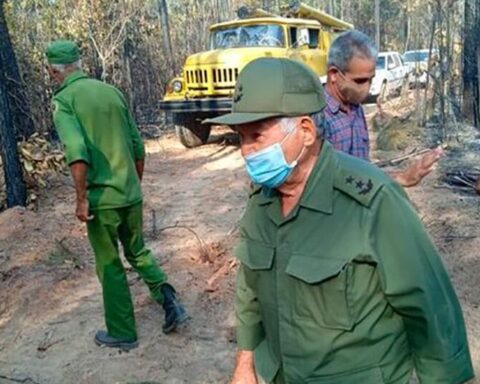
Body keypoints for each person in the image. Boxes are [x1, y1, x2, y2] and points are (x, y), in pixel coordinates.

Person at [204, 57, 474, 384]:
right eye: (241, 137)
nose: (246, 151)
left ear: (305, 131)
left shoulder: (373, 202)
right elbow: (250, 287)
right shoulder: (261, 201)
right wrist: (245, 362)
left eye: (257, 136)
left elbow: (431, 310)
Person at [46, 40, 188, 350]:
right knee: (138, 251)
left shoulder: (65, 101)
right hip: (129, 193)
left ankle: (122, 332)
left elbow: (77, 151)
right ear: (80, 64)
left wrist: (82, 198)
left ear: (53, 71)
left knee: (109, 265)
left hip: (102, 201)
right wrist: (133, 184)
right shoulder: (111, 92)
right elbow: (137, 145)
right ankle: (168, 297)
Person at [325, 30, 443, 187]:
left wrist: (402, 177)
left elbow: (362, 172)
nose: (367, 87)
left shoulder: (355, 108)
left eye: (371, 79)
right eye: (360, 81)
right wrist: (399, 179)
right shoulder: (317, 117)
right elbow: (327, 183)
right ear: (334, 74)